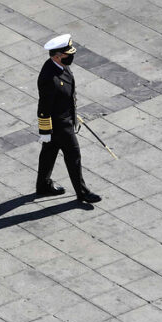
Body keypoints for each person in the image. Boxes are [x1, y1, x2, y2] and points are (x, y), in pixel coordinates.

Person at [36, 34, 101, 204]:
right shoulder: (49, 78)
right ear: (57, 56)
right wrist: (45, 131)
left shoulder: (61, 67)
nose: (71, 57)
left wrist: (73, 114)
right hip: (59, 125)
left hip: (66, 119)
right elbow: (44, 107)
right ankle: (83, 193)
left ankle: (43, 185)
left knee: (49, 154)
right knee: (74, 156)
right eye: (67, 54)